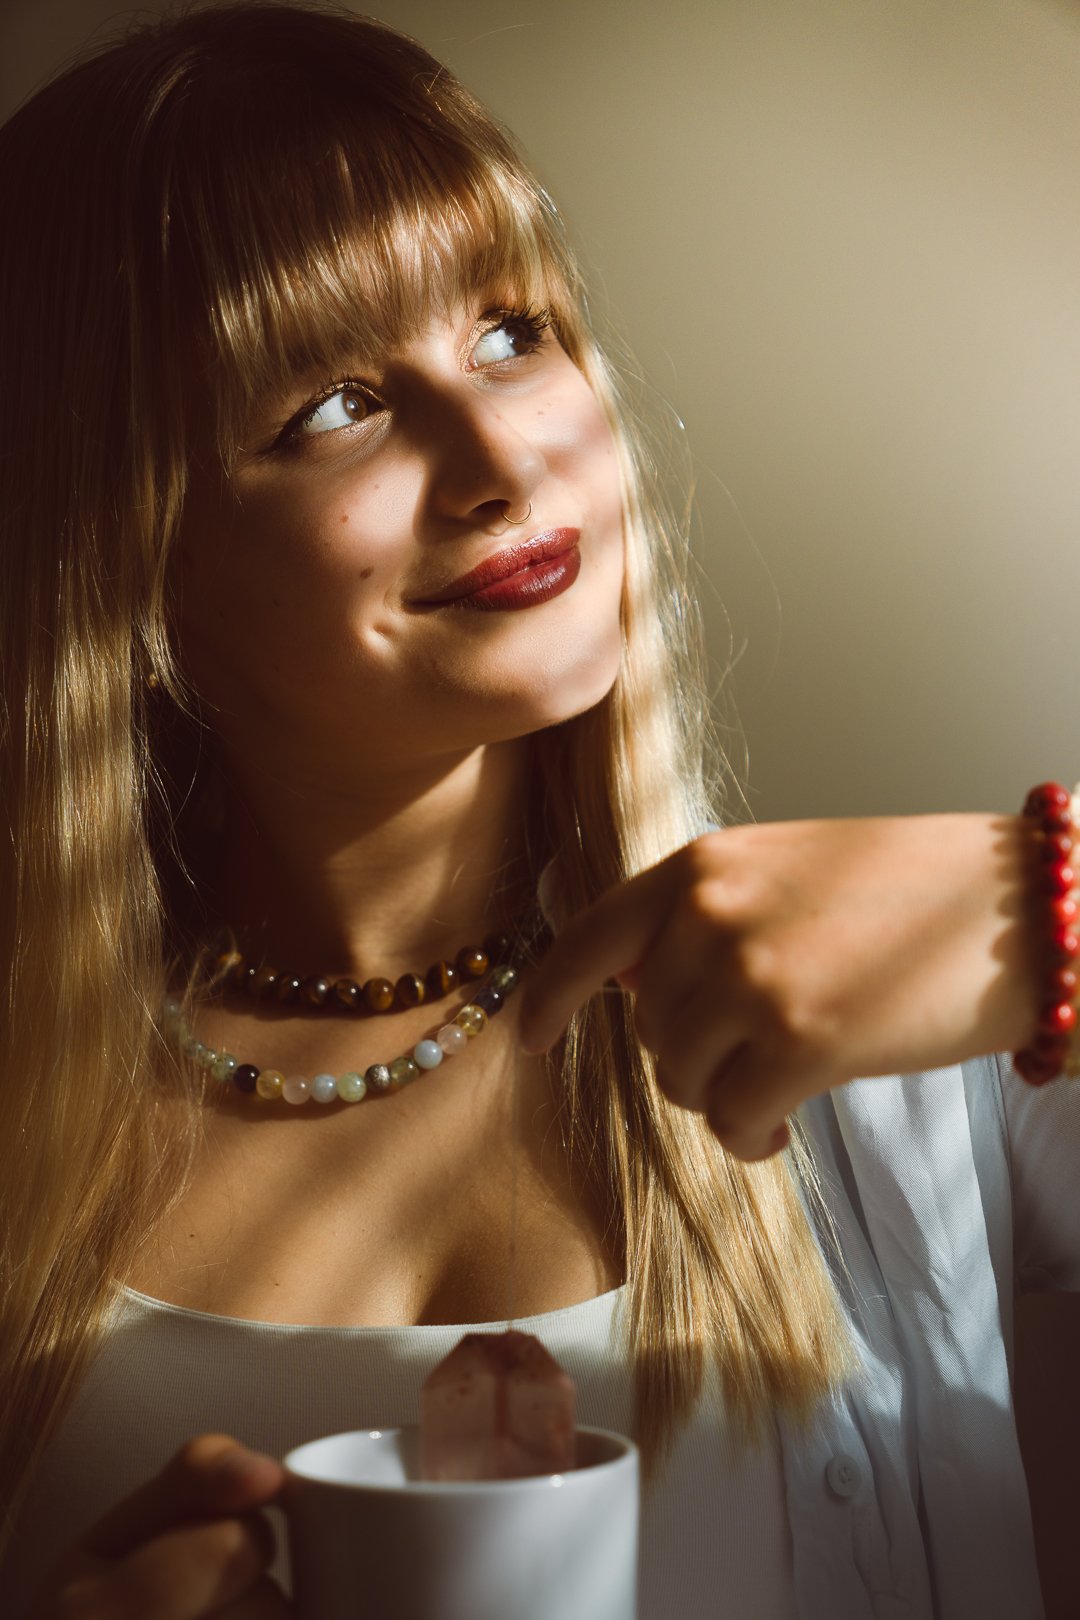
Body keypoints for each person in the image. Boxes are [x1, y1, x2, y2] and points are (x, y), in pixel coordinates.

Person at [0, 4, 1074, 1616]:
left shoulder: (886, 1027)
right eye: (330, 406)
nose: (501, 452)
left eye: (513, 332)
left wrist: (1037, 917)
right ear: (129, 562)